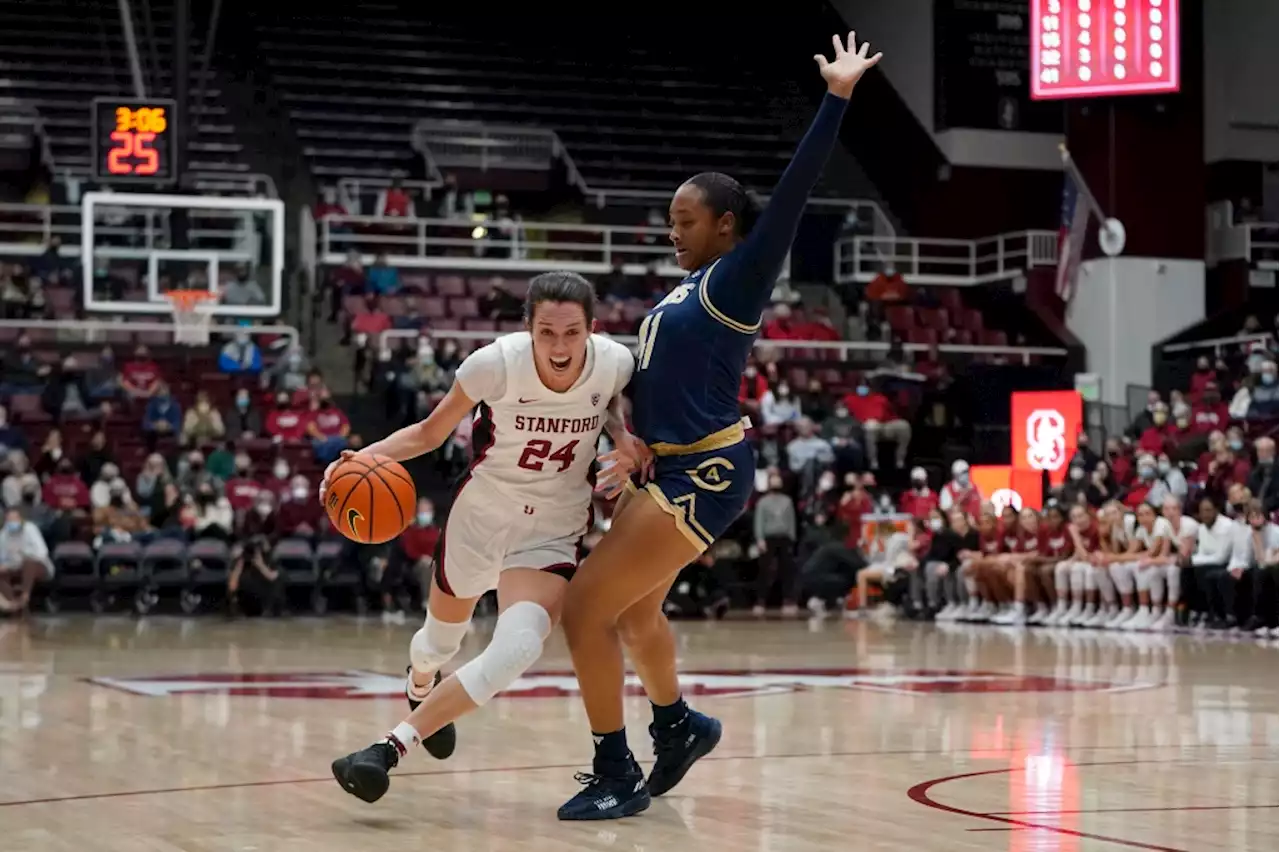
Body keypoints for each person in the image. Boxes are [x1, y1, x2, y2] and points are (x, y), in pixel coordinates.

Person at [554, 32, 880, 820]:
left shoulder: (737, 280)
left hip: (703, 474)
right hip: (666, 467)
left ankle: (616, 770)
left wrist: (835, 97)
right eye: (671, 219)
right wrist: (623, 433)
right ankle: (679, 726)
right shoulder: (684, 290)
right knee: (632, 612)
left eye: (688, 219)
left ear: (728, 227)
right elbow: (652, 386)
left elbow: (796, 195)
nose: (675, 230)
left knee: (582, 611)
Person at [328, 272, 638, 804]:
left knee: (517, 646)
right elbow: (429, 433)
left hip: (551, 530)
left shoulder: (615, 363)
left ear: (592, 329)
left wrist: (625, 438)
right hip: (481, 518)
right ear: (528, 328)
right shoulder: (494, 364)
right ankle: (420, 681)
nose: (559, 346)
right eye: (547, 332)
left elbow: (614, 406)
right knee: (436, 645)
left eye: (571, 333)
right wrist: (362, 460)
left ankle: (388, 748)